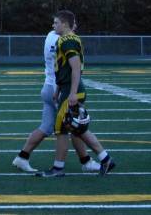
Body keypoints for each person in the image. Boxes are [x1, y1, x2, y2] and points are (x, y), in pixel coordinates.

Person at [37, 10, 116, 177]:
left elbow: (75, 68)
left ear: (65, 24)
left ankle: (58, 168)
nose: (54, 25)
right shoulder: (64, 40)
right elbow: (62, 69)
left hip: (72, 91)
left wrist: (72, 93)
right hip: (66, 89)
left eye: (56, 22)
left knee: (61, 129)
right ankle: (106, 159)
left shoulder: (68, 40)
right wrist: (58, 89)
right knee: (78, 129)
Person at [13, 24, 99, 174]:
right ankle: (81, 162)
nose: (76, 25)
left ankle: (22, 156)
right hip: (58, 88)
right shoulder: (63, 39)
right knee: (73, 126)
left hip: (48, 85)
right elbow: (71, 64)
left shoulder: (50, 35)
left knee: (47, 127)